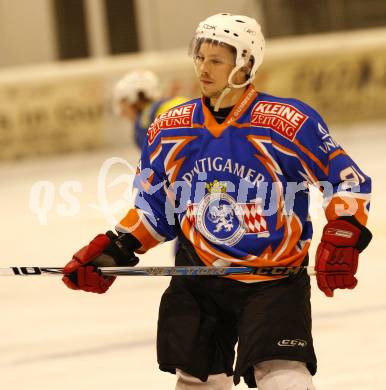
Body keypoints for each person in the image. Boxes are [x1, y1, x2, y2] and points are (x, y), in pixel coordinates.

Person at [62, 13, 372, 389]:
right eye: (200, 56)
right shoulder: (169, 128)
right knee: (196, 381)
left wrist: (342, 235)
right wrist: (114, 249)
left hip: (272, 277)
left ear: (245, 64)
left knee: (281, 377)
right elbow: (155, 211)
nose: (203, 68)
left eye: (216, 60)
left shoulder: (286, 121)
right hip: (200, 275)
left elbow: (347, 181)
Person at [113, 69, 188, 148]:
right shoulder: (175, 104)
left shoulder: (145, 126)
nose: (122, 114)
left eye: (124, 107)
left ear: (133, 102)